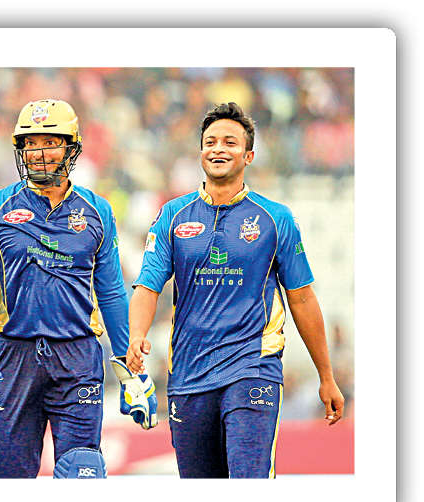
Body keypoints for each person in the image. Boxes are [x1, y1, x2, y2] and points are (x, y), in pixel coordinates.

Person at [128, 102, 345, 479]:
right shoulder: (172, 215)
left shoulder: (275, 219)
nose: (218, 149)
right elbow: (147, 287)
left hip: (252, 368)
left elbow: (302, 298)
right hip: (189, 375)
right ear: (200, 152)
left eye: (230, 142)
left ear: (248, 155)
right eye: (210, 142)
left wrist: (325, 376)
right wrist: (136, 335)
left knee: (248, 486)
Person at [0, 99, 158, 479]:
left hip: (77, 358)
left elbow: (111, 293)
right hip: (12, 358)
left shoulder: (98, 211)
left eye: (49, 142)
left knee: (82, 471)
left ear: (71, 147)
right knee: (6, 479)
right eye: (30, 143)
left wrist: (130, 368)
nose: (39, 152)